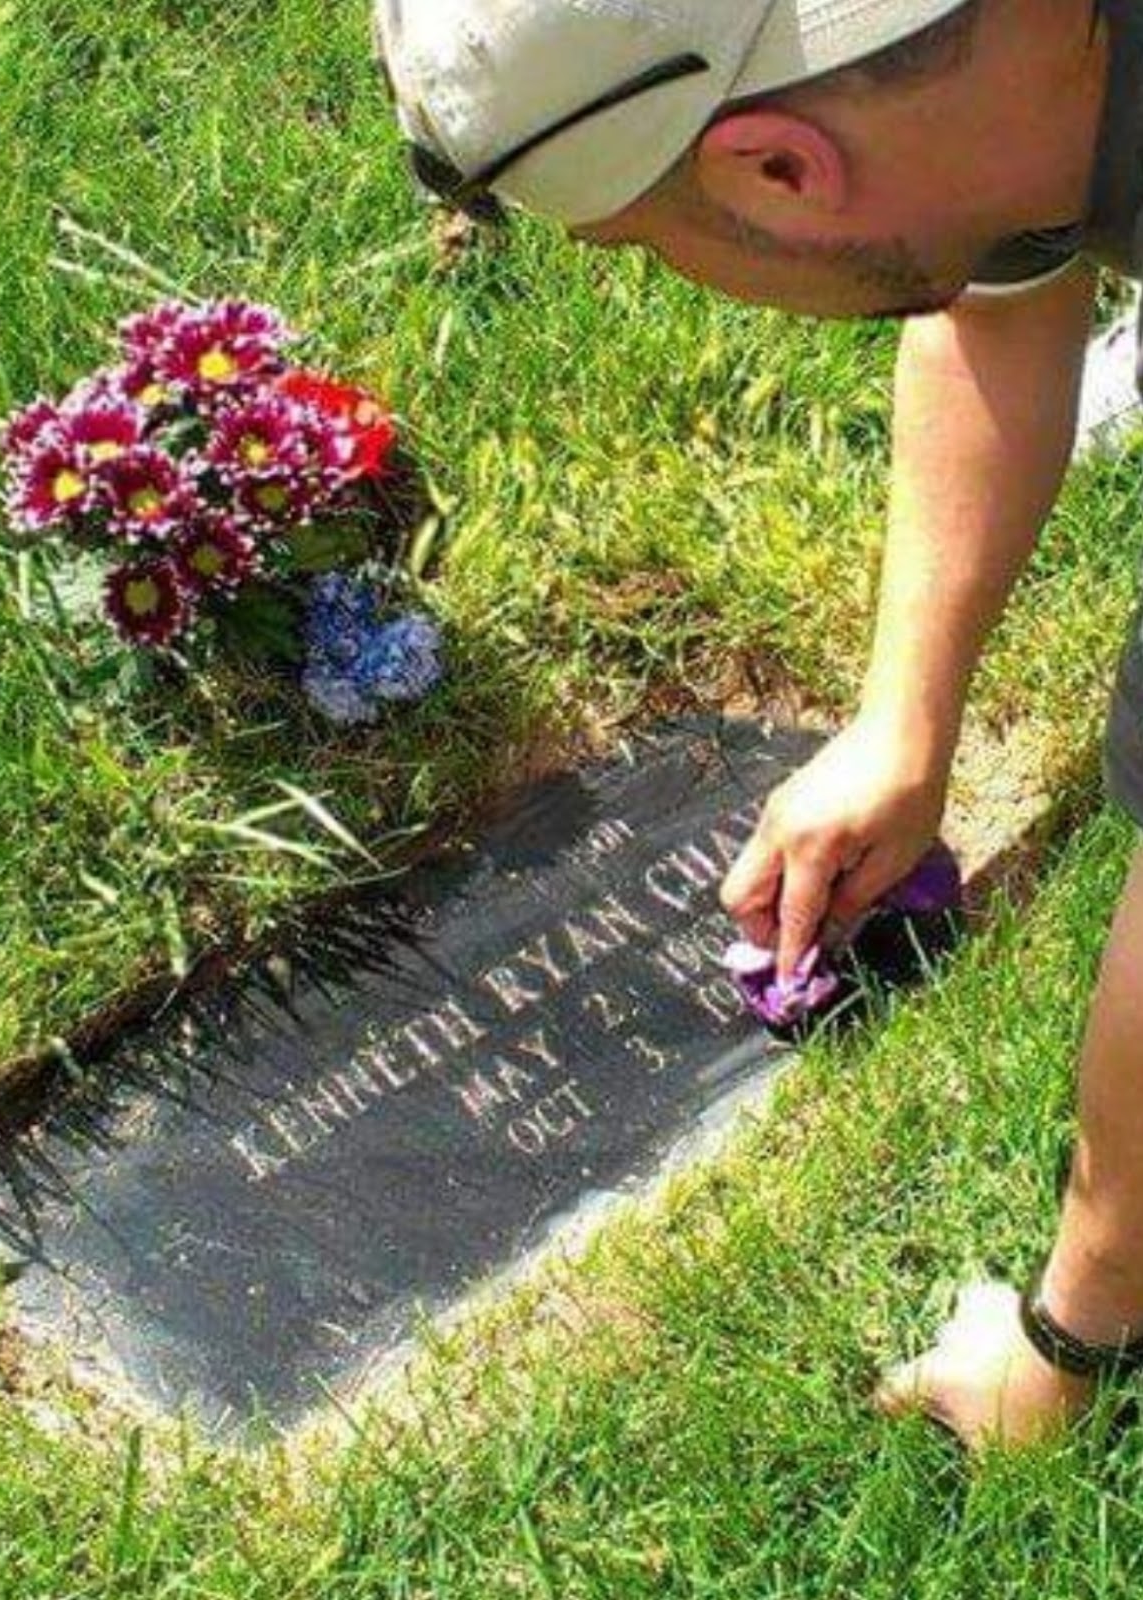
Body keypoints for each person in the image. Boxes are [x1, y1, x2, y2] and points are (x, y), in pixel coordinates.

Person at [374, 0, 1143, 1450]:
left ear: (776, 171)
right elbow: (999, 279)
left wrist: (1067, 1345)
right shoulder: (1023, 62)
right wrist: (902, 723)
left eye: (645, 242)